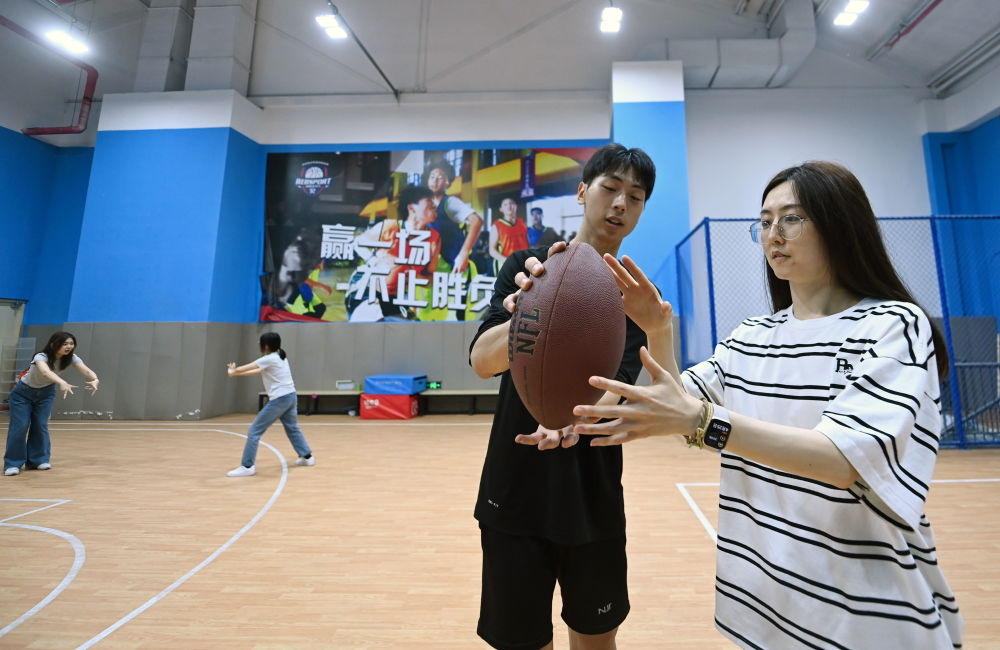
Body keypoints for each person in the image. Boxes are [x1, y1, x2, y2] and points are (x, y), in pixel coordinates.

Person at [565, 161, 963, 648]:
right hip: (765, 607)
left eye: (792, 218)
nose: (774, 234)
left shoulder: (892, 325)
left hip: (867, 616)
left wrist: (705, 423)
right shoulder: (753, 336)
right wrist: (657, 331)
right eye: (765, 221)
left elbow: (844, 459)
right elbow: (678, 404)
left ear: (840, 224)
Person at [468, 143, 656, 650]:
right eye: (610, 188)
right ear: (581, 192)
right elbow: (482, 361)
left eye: (635, 196)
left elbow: (619, 391)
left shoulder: (637, 297)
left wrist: (573, 423)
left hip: (592, 498)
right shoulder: (527, 267)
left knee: (596, 641)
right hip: (513, 491)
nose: (620, 203)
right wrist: (525, 314)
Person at [4, 332, 99, 476]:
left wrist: (95, 379)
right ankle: (12, 464)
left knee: (40, 425)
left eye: (71, 344)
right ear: (53, 344)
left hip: (45, 394)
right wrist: (61, 382)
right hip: (22, 394)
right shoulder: (40, 357)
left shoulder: (71, 358)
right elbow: (45, 372)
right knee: (20, 426)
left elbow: (86, 370)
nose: (69, 347)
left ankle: (38, 460)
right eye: (65, 344)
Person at [345, 184, 443, 321]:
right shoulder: (389, 226)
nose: (435, 204)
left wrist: (417, 277)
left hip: (396, 297)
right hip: (366, 289)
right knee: (373, 321)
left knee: (416, 330)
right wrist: (374, 260)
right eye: (429, 200)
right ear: (412, 208)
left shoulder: (434, 238)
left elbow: (430, 278)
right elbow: (357, 243)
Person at [225, 332, 314, 477]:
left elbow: (248, 367)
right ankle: (307, 457)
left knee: (254, 431)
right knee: (292, 428)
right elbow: (259, 371)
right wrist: (236, 373)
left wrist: (235, 370)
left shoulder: (270, 358)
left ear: (266, 346)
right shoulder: (280, 355)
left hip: (280, 399)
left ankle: (247, 466)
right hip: (291, 396)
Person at [424, 156, 484, 274]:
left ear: (448, 183)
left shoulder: (450, 202)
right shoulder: (424, 205)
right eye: (432, 177)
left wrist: (463, 254)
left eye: (440, 177)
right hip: (434, 268)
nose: (434, 181)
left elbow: (477, 221)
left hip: (454, 268)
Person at [488, 197, 530, 274]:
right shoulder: (496, 225)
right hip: (504, 265)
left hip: (522, 264)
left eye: (511, 203)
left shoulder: (522, 223)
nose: (509, 206)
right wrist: (508, 261)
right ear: (501, 209)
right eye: (505, 204)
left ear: (516, 206)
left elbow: (528, 245)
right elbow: (492, 251)